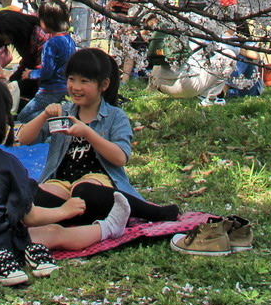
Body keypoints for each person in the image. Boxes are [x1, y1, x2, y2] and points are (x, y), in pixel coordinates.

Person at [0, 78, 124, 286]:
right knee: (54, 232)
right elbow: (31, 217)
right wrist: (65, 210)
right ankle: (108, 228)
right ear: (1, 122)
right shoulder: (8, 164)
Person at [17, 48, 179, 239]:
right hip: (61, 182)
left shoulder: (115, 116)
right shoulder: (63, 112)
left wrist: (87, 132)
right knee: (29, 192)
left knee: (84, 191)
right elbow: (24, 140)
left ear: (104, 85)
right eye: (71, 79)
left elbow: (120, 158)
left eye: (84, 81)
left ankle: (149, 211)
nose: (76, 87)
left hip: (96, 181)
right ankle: (76, 217)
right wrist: (44, 115)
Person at [16, 0, 76, 121]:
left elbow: (48, 71)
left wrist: (31, 74)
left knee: (23, 117)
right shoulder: (69, 40)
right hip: (64, 87)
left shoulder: (51, 43)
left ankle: (57, 116)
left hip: (50, 89)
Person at [0, 9, 50, 105]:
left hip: (43, 76)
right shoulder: (16, 36)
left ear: (13, 31)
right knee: (11, 84)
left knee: (14, 90)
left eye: (4, 38)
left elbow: (43, 69)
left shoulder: (38, 35)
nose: (5, 42)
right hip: (28, 68)